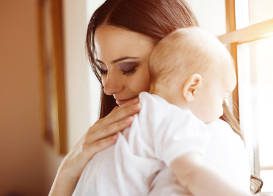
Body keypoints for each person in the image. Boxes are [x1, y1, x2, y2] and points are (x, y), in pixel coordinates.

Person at [48, 0, 242, 195]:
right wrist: (68, 170)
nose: (108, 87)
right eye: (103, 69)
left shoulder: (206, 141)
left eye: (128, 68)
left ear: (175, 57)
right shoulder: (125, 137)